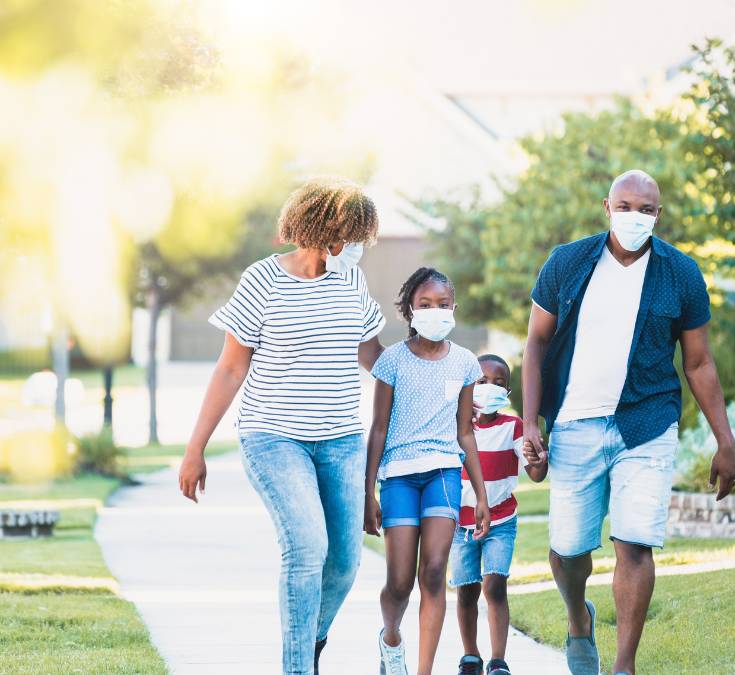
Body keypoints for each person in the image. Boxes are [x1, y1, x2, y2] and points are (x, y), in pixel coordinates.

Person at [520, 170, 735, 675]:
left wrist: (724, 440)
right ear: (606, 206)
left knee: (635, 542)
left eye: (646, 209)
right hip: (576, 421)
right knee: (567, 550)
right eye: (625, 206)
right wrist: (531, 421)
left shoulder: (680, 274)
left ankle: (623, 666)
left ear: (658, 215)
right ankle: (579, 618)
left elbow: (699, 362)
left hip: (648, 423)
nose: (634, 217)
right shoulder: (568, 263)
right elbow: (536, 343)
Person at [178, 177, 386, 675]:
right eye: (350, 235)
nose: (356, 247)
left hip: (340, 439)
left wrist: (432, 364)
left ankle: (308, 640)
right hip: (274, 437)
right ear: (322, 229)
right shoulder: (262, 281)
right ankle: (298, 668)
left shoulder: (350, 281)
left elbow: (375, 358)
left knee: (344, 563)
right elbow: (231, 367)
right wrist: (195, 448)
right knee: (307, 545)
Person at [364, 267, 492, 675]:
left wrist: (483, 495)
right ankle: (391, 637)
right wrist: (369, 492)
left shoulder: (466, 363)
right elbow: (379, 428)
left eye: (442, 304)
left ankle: (423, 671)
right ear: (409, 310)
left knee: (435, 571)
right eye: (425, 304)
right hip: (400, 475)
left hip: (443, 474)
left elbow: (466, 433)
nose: (434, 310)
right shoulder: (391, 362)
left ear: (454, 308)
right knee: (400, 582)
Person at [452, 355, 548, 675]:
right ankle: (470, 655)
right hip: (460, 524)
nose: (488, 387)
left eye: (498, 382)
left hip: (502, 520)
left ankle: (497, 661)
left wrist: (539, 456)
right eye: (481, 382)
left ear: (507, 391)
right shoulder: (455, 425)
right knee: (467, 589)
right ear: (469, 385)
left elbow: (535, 473)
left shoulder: (514, 427)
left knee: (495, 586)